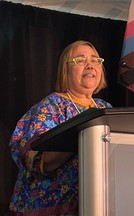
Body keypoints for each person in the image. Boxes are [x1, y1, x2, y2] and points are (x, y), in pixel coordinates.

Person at [8, 40, 112, 215]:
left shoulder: (106, 109)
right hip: (51, 208)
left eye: (95, 60)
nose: (90, 65)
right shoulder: (51, 106)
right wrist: (83, 133)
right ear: (65, 70)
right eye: (80, 60)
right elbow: (38, 161)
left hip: (98, 205)